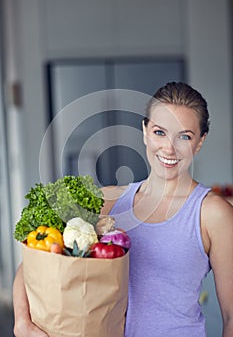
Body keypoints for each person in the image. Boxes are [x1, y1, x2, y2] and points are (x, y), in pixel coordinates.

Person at [13, 82, 233, 337]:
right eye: (160, 132)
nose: (169, 148)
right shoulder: (108, 201)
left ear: (200, 142)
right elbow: (34, 261)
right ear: (145, 131)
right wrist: (22, 323)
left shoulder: (212, 213)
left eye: (184, 136)